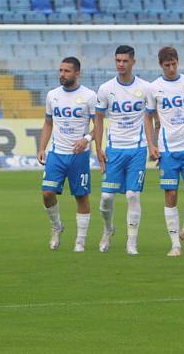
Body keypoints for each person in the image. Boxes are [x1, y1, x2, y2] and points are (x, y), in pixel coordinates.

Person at [145, 47, 184, 257]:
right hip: (167, 150)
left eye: (173, 64)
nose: (171, 69)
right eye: (166, 65)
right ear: (161, 65)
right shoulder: (154, 88)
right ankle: (175, 245)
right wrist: (151, 144)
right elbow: (148, 116)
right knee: (170, 195)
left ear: (178, 62)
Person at [37, 57, 99, 252]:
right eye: (61, 70)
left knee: (81, 197)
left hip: (78, 155)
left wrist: (86, 139)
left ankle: (80, 240)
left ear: (77, 73)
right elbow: (48, 122)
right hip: (56, 153)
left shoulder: (89, 96)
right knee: (47, 193)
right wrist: (42, 148)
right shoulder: (52, 95)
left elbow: (99, 125)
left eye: (67, 71)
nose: (62, 74)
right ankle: (56, 226)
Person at [93, 45, 151, 255]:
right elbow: (98, 119)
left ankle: (132, 243)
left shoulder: (146, 88)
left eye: (125, 61)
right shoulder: (105, 89)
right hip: (114, 150)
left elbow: (153, 116)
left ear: (133, 62)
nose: (121, 64)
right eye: (118, 60)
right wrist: (98, 148)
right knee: (106, 198)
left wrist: (153, 143)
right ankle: (108, 229)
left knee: (132, 195)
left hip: (137, 149)